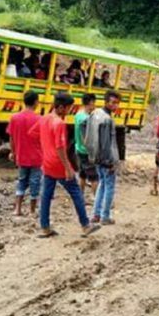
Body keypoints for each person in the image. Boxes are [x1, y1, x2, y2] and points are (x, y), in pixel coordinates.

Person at [29, 92, 101, 238]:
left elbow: (32, 133)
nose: (69, 111)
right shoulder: (59, 123)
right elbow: (60, 148)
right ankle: (85, 225)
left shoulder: (45, 119)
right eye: (68, 108)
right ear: (61, 107)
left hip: (47, 164)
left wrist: (45, 146)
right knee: (76, 193)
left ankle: (45, 227)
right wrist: (68, 167)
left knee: (46, 196)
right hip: (59, 164)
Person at [85, 90, 121, 225]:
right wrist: (110, 162)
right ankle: (105, 216)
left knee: (101, 186)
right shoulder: (107, 119)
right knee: (109, 187)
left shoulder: (94, 114)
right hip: (106, 159)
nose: (115, 105)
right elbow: (107, 144)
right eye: (113, 103)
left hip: (95, 157)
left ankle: (96, 214)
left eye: (117, 103)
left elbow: (88, 138)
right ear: (106, 102)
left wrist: (92, 156)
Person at [7, 91, 42, 216]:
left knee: (21, 181)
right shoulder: (39, 119)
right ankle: (32, 210)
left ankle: (17, 209)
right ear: (36, 102)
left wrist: (13, 152)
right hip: (37, 157)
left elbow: (11, 137)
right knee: (35, 183)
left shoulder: (15, 118)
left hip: (21, 156)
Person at [75, 93, 99, 196]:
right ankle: (98, 200)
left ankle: (81, 196)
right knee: (94, 177)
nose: (94, 106)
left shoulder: (78, 114)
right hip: (86, 152)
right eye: (93, 103)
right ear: (90, 103)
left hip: (78, 149)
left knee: (82, 175)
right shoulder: (86, 119)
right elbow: (86, 138)